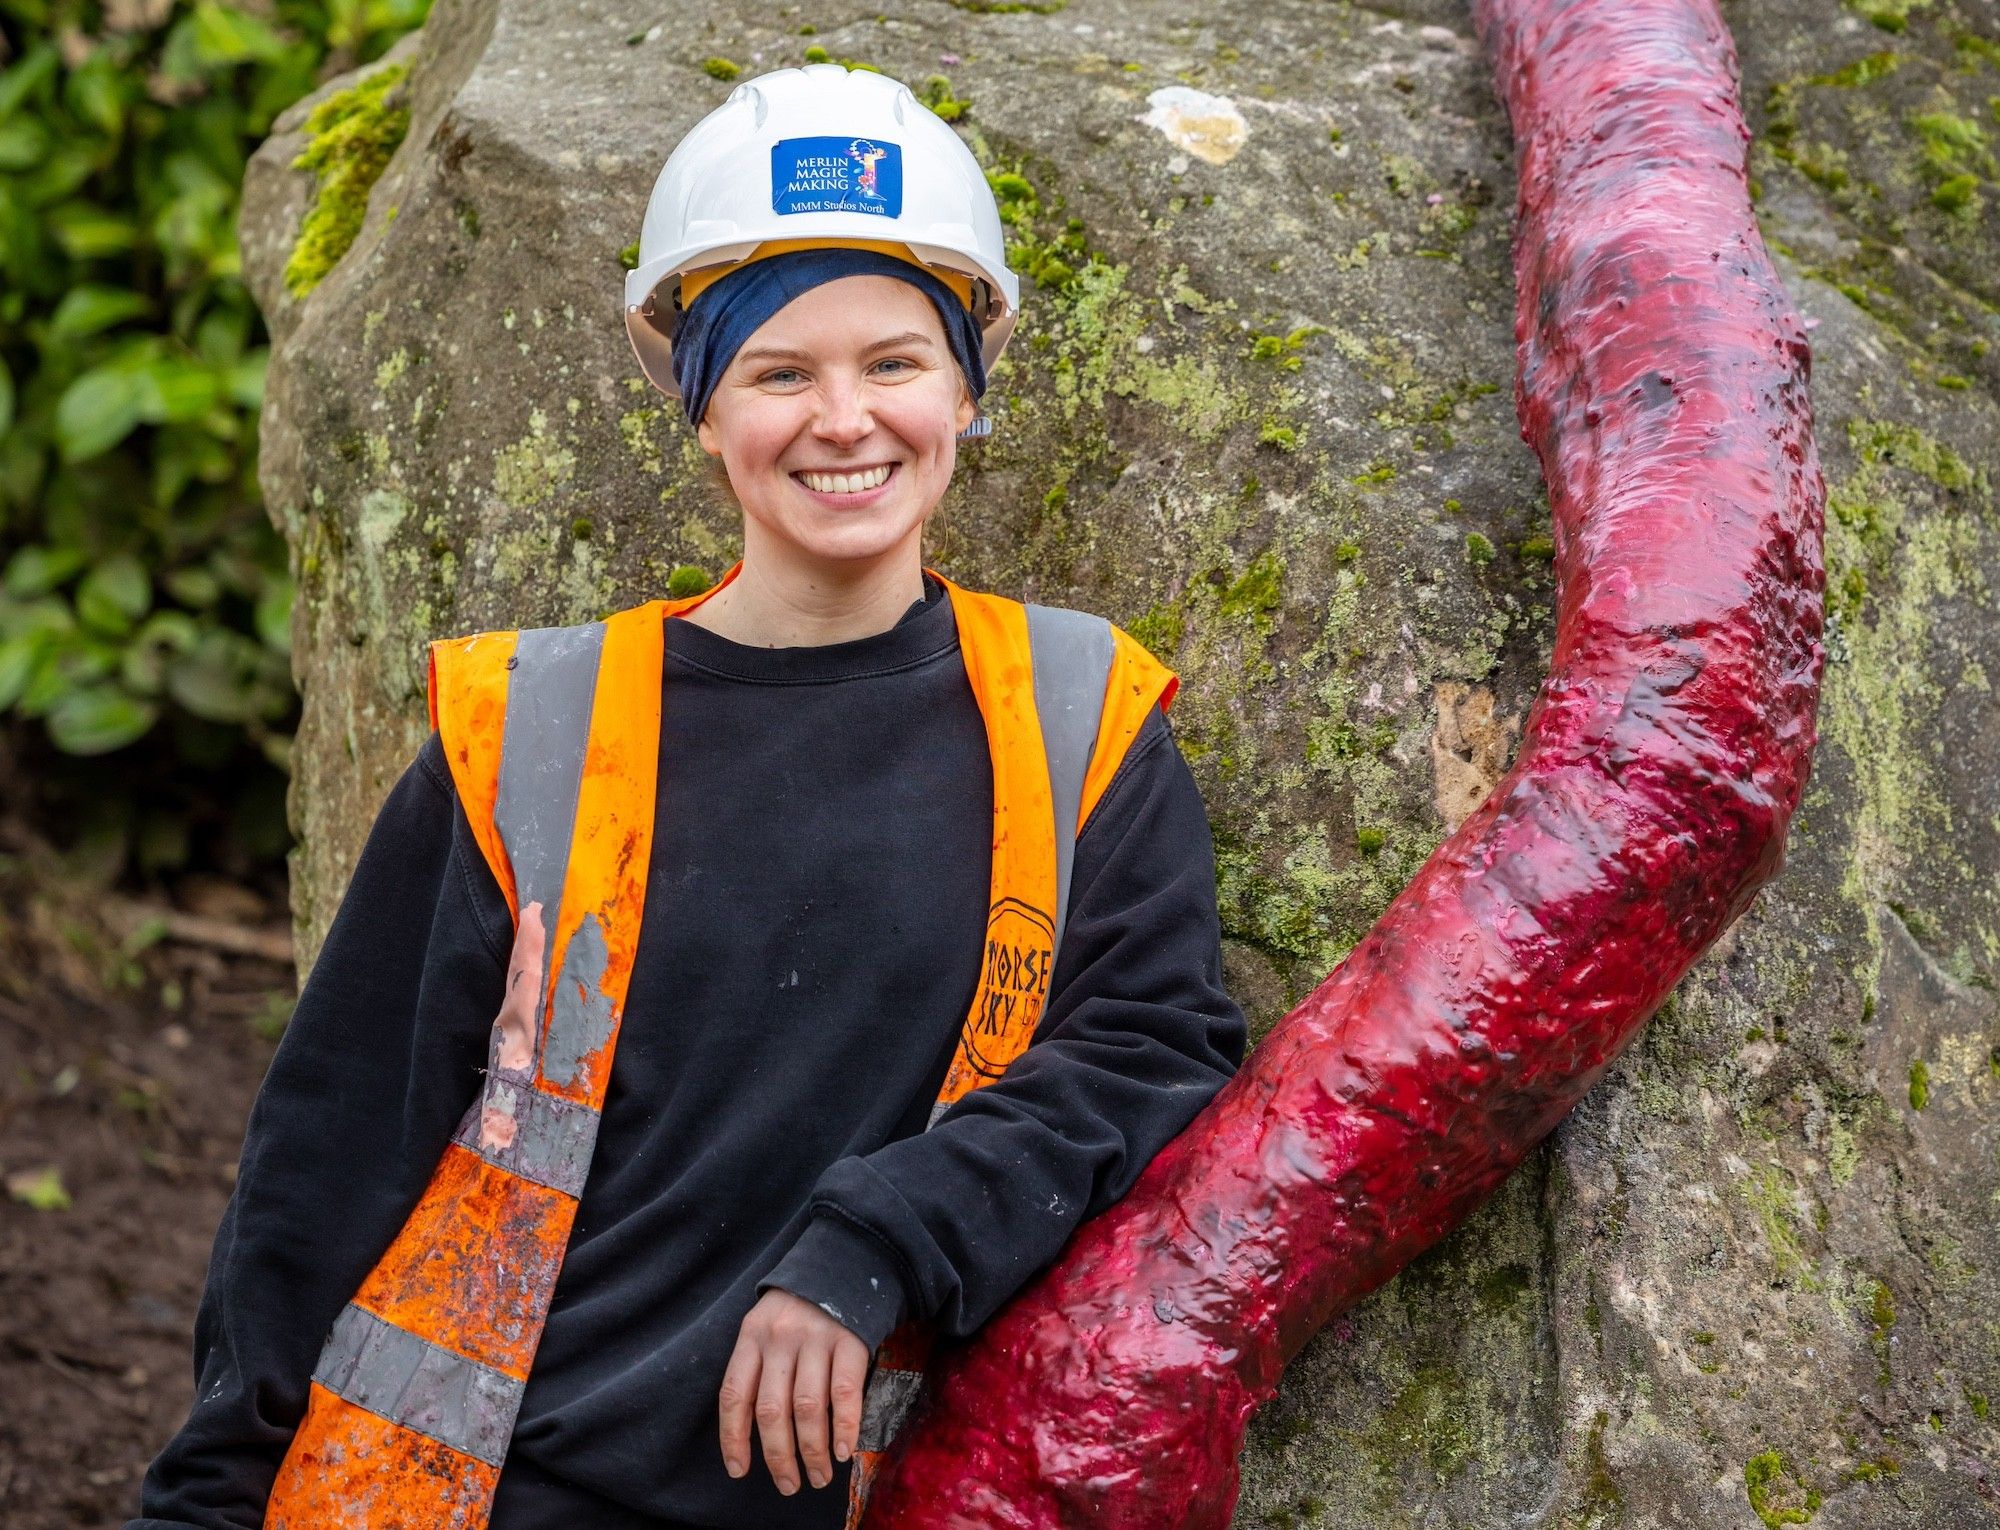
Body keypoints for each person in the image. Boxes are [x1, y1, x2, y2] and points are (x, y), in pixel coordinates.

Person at [129, 64, 1245, 1530]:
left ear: (969, 392)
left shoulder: (1077, 713)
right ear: (704, 407)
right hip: (487, 1496)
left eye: (897, 362)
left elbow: (1153, 1048)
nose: (845, 418)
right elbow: (329, 1155)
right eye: (781, 372)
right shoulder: (533, 730)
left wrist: (878, 1238)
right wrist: (208, 1499)